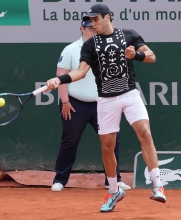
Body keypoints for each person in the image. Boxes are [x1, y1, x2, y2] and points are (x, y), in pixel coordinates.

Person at [46, 3, 167, 212]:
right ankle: (114, 191)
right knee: (107, 146)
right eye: (89, 21)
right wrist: (59, 80)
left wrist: (135, 55)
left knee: (145, 133)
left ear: (107, 17)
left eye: (95, 19)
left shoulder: (129, 35)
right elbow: (81, 72)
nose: (92, 24)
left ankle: (158, 186)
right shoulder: (90, 45)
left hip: (129, 94)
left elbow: (151, 56)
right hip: (106, 100)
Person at [51, 19, 131, 192]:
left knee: (111, 142)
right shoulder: (71, 49)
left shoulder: (105, 48)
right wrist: (65, 101)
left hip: (102, 104)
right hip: (74, 104)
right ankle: (60, 180)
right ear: (81, 29)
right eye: (88, 28)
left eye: (94, 27)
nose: (92, 30)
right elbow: (61, 76)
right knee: (70, 141)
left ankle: (113, 181)